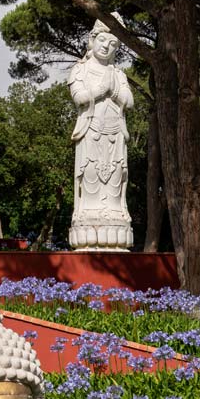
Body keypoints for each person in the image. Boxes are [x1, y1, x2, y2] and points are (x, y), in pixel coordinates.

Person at [67, 14, 134, 250]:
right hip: (91, 130)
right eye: (103, 40)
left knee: (116, 176)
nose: (107, 46)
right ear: (92, 40)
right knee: (91, 174)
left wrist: (114, 92)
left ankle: (115, 215)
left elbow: (129, 101)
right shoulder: (80, 70)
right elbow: (80, 97)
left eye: (114, 44)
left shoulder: (119, 74)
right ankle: (89, 218)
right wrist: (100, 89)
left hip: (115, 133)